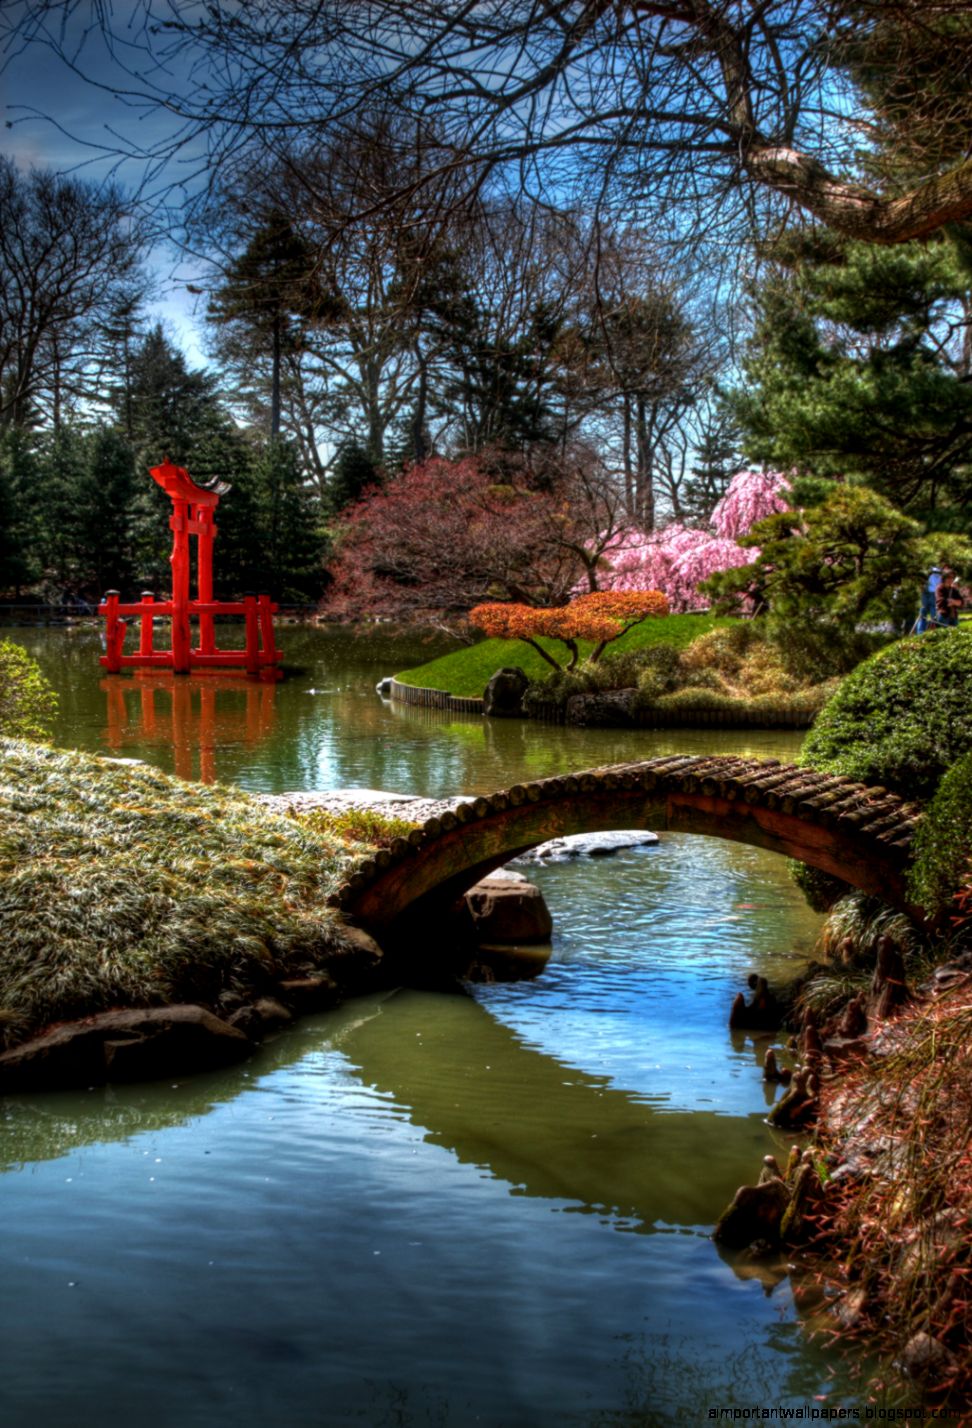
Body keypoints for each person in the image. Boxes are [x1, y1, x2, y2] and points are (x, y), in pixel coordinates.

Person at [916, 565, 943, 632]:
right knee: (924, 612)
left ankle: (933, 630)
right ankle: (922, 631)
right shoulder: (936, 573)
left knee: (930, 612)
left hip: (932, 593)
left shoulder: (937, 573)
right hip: (928, 592)